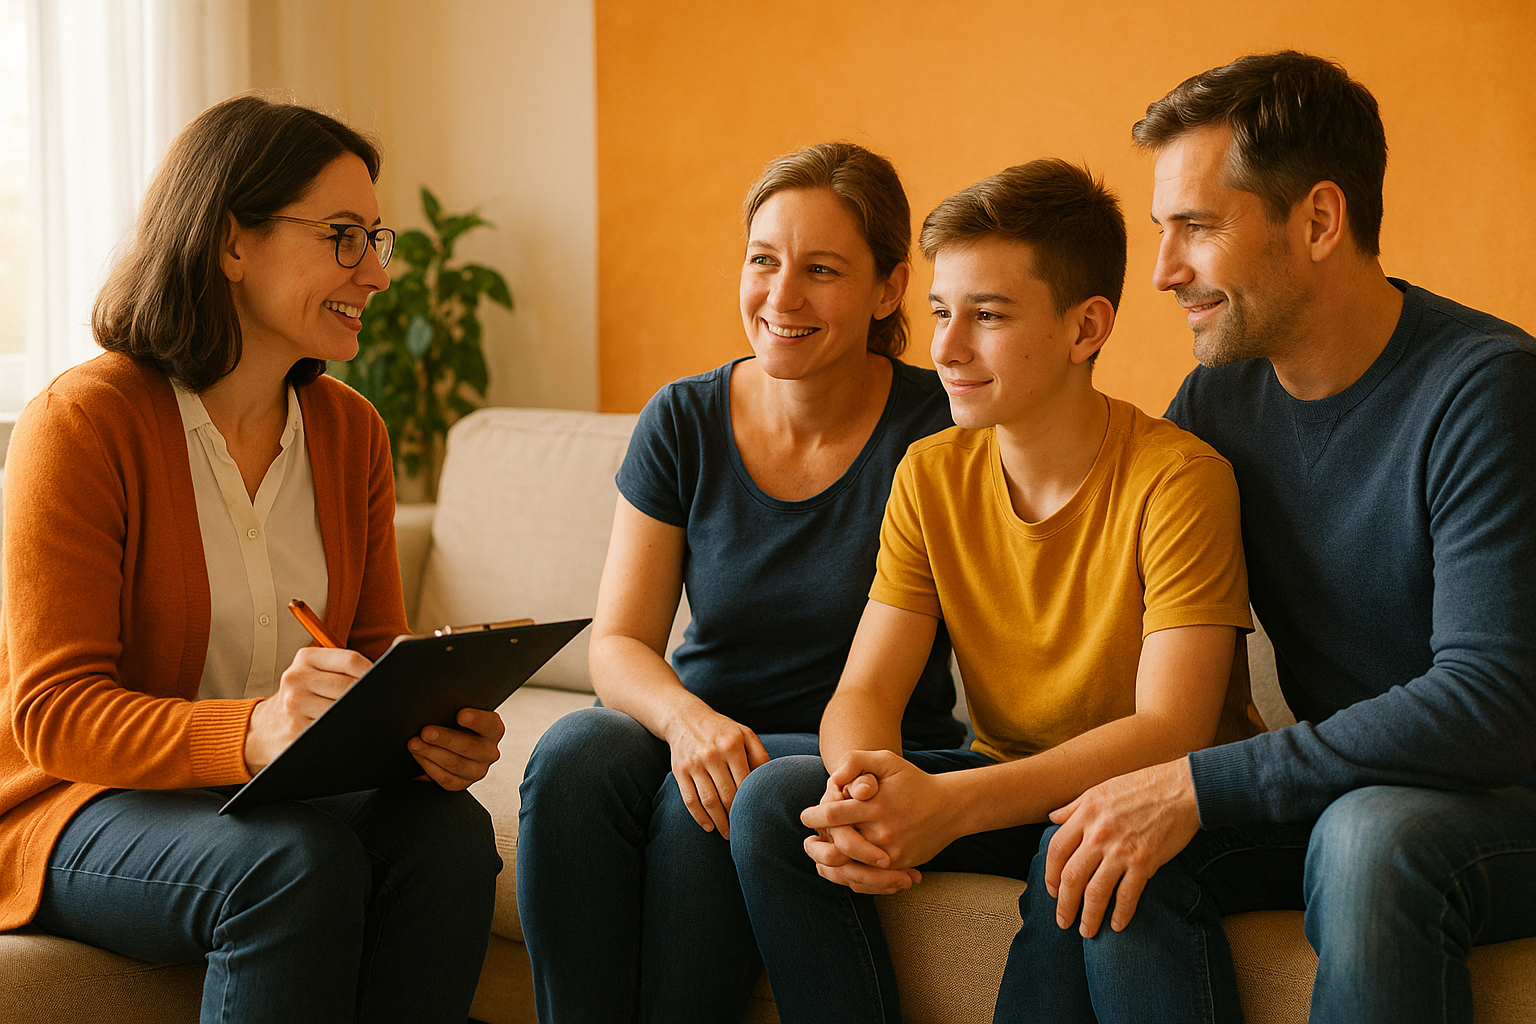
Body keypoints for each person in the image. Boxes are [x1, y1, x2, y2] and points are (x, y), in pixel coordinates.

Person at [1038, 51, 1536, 1024]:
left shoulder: (1486, 391)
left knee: (1369, 840)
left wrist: (1200, 783)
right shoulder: (1216, 404)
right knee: (1107, 843)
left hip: (1504, 791)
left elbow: (1490, 703)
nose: (1161, 270)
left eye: (1196, 227)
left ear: (1317, 220)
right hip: (1361, 786)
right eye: (1159, 230)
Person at [0, 96, 504, 1024]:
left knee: (449, 839)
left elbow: (372, 654)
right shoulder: (83, 423)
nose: (378, 274)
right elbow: (50, 713)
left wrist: (428, 732)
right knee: (290, 866)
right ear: (234, 243)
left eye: (376, 240)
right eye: (344, 237)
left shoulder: (353, 434)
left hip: (266, 791)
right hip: (73, 804)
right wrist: (250, 733)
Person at [729, 158, 1260, 1024]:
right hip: (1011, 781)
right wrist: (865, 785)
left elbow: (1174, 731)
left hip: (1160, 795)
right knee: (775, 806)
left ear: (1087, 327)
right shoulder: (931, 472)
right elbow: (864, 688)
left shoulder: (1178, 479)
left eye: (987, 315)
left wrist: (948, 805)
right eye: (941, 311)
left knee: (1081, 836)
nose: (944, 347)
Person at [514, 142, 965, 1023]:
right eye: (764, 260)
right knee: (572, 753)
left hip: (857, 743)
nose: (781, 296)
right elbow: (618, 643)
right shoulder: (683, 417)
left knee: (708, 807)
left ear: (888, 289)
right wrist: (689, 723)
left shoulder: (940, 425)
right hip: (710, 722)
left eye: (821, 270)